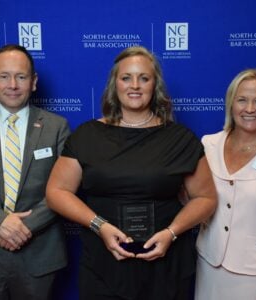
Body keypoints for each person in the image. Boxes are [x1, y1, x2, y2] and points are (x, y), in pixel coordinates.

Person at [46, 46, 217, 300]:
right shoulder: (87, 135)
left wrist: (171, 233)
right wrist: (99, 225)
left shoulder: (180, 138)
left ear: (154, 85)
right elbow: (56, 192)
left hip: (166, 267)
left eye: (144, 78)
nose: (135, 85)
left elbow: (206, 198)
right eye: (126, 78)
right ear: (115, 84)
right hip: (104, 267)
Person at [0, 44, 70, 300]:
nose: (12, 84)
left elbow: (67, 188)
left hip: (39, 256)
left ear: (33, 82)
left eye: (21, 77)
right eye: (4, 76)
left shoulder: (56, 127)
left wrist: (23, 227)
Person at [195, 69, 256, 300]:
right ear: (231, 104)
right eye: (242, 100)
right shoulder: (208, 145)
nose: (250, 109)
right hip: (209, 267)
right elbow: (195, 200)